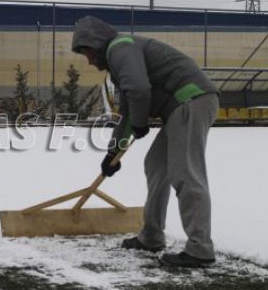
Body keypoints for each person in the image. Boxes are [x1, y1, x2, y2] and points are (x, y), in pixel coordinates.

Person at [71, 16, 219, 268]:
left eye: (86, 52)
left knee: (185, 172)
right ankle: (151, 236)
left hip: (191, 100)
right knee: (156, 166)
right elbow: (130, 108)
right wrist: (112, 152)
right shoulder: (119, 62)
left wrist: (140, 122)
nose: (88, 60)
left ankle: (200, 249)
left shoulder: (120, 48)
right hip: (179, 109)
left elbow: (139, 90)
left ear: (96, 43)